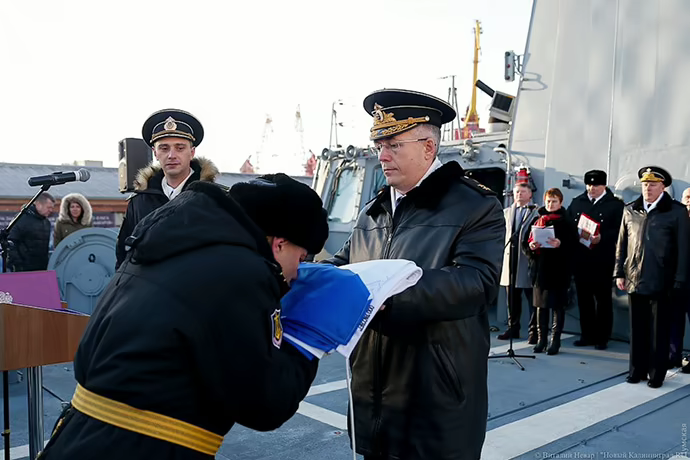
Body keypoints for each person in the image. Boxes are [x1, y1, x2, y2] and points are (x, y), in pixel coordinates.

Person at [38, 173, 329, 459]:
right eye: (301, 258)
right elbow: (265, 404)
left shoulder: (173, 245)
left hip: (80, 436)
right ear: (279, 243)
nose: (297, 272)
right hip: (142, 449)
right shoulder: (241, 274)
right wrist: (308, 340)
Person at [323, 89, 505, 460]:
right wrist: (307, 277)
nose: (382, 155)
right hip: (373, 398)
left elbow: (477, 282)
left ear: (428, 147)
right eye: (379, 145)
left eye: (393, 145)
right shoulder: (373, 211)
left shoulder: (475, 205)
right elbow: (345, 263)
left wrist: (387, 294)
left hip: (434, 401)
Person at [115, 108, 220, 269]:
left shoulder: (213, 199)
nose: (171, 155)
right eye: (164, 148)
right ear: (155, 153)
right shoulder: (139, 201)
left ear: (192, 152)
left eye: (180, 148)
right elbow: (124, 255)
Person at [614, 166, 688, 388]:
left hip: (662, 281)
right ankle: (636, 371)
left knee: (659, 331)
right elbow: (622, 244)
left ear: (663, 187)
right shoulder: (630, 210)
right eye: (645, 184)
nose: (648, 188)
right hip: (635, 279)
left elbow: (683, 248)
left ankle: (656, 374)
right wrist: (619, 272)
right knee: (637, 330)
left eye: (653, 184)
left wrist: (679, 279)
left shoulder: (676, 212)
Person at [566, 170, 624, 350]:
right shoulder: (578, 202)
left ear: (604, 186)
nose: (591, 188)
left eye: (596, 185)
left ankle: (602, 337)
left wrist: (603, 237)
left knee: (603, 301)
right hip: (581, 259)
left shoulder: (615, 205)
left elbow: (621, 230)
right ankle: (587, 335)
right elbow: (569, 224)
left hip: (603, 260)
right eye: (589, 185)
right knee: (584, 300)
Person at [524, 188, 577, 355]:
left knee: (557, 307)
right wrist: (531, 247)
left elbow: (574, 245)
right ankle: (541, 340)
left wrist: (560, 244)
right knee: (540, 306)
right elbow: (526, 243)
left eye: (554, 201)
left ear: (560, 203)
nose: (550, 204)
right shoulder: (538, 220)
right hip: (540, 271)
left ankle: (555, 341)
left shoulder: (567, 222)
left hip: (559, 271)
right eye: (548, 201)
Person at [498, 183, 539, 343]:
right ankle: (513, 328)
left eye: (523, 192)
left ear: (530, 194)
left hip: (527, 260)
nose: (519, 194)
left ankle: (533, 331)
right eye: (517, 192)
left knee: (532, 298)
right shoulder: (506, 212)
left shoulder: (536, 212)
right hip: (510, 259)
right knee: (512, 298)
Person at [669, 186, 690, 371]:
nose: (689, 201)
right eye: (686, 197)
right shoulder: (675, 221)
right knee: (675, 319)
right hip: (677, 279)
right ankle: (673, 356)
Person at [7, 193, 55, 272]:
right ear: (38, 204)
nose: (51, 210)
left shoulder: (46, 222)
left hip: (41, 268)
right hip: (23, 268)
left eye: (52, 208)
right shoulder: (21, 219)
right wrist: (17, 264)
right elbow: (11, 242)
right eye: (48, 207)